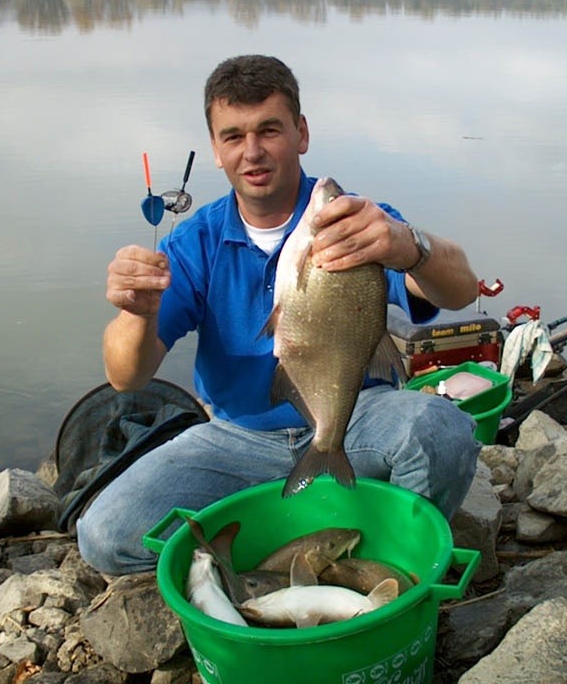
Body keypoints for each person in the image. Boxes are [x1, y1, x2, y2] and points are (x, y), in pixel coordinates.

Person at [77, 54, 482, 575]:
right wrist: (135, 311)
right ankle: (290, 553)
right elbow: (125, 376)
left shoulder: (354, 221)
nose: (252, 152)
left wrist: (408, 245)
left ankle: (381, 570)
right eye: (233, 137)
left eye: (270, 130)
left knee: (444, 433)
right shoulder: (194, 242)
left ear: (302, 133)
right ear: (217, 152)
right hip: (234, 438)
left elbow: (463, 289)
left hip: (356, 418)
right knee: (105, 535)